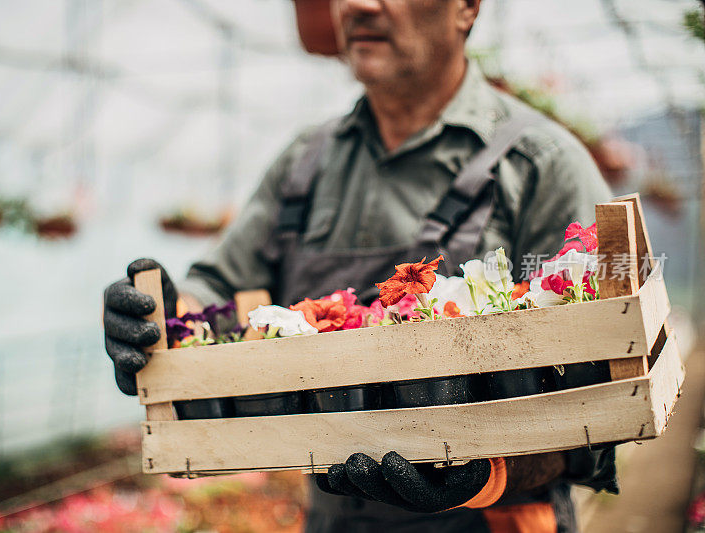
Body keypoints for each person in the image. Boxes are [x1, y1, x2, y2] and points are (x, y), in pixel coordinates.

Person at [103, 1, 617, 531]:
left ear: (466, 8)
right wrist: (158, 315)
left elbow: (606, 403)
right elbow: (217, 289)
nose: (360, 4)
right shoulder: (308, 162)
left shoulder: (540, 165)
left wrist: (488, 473)